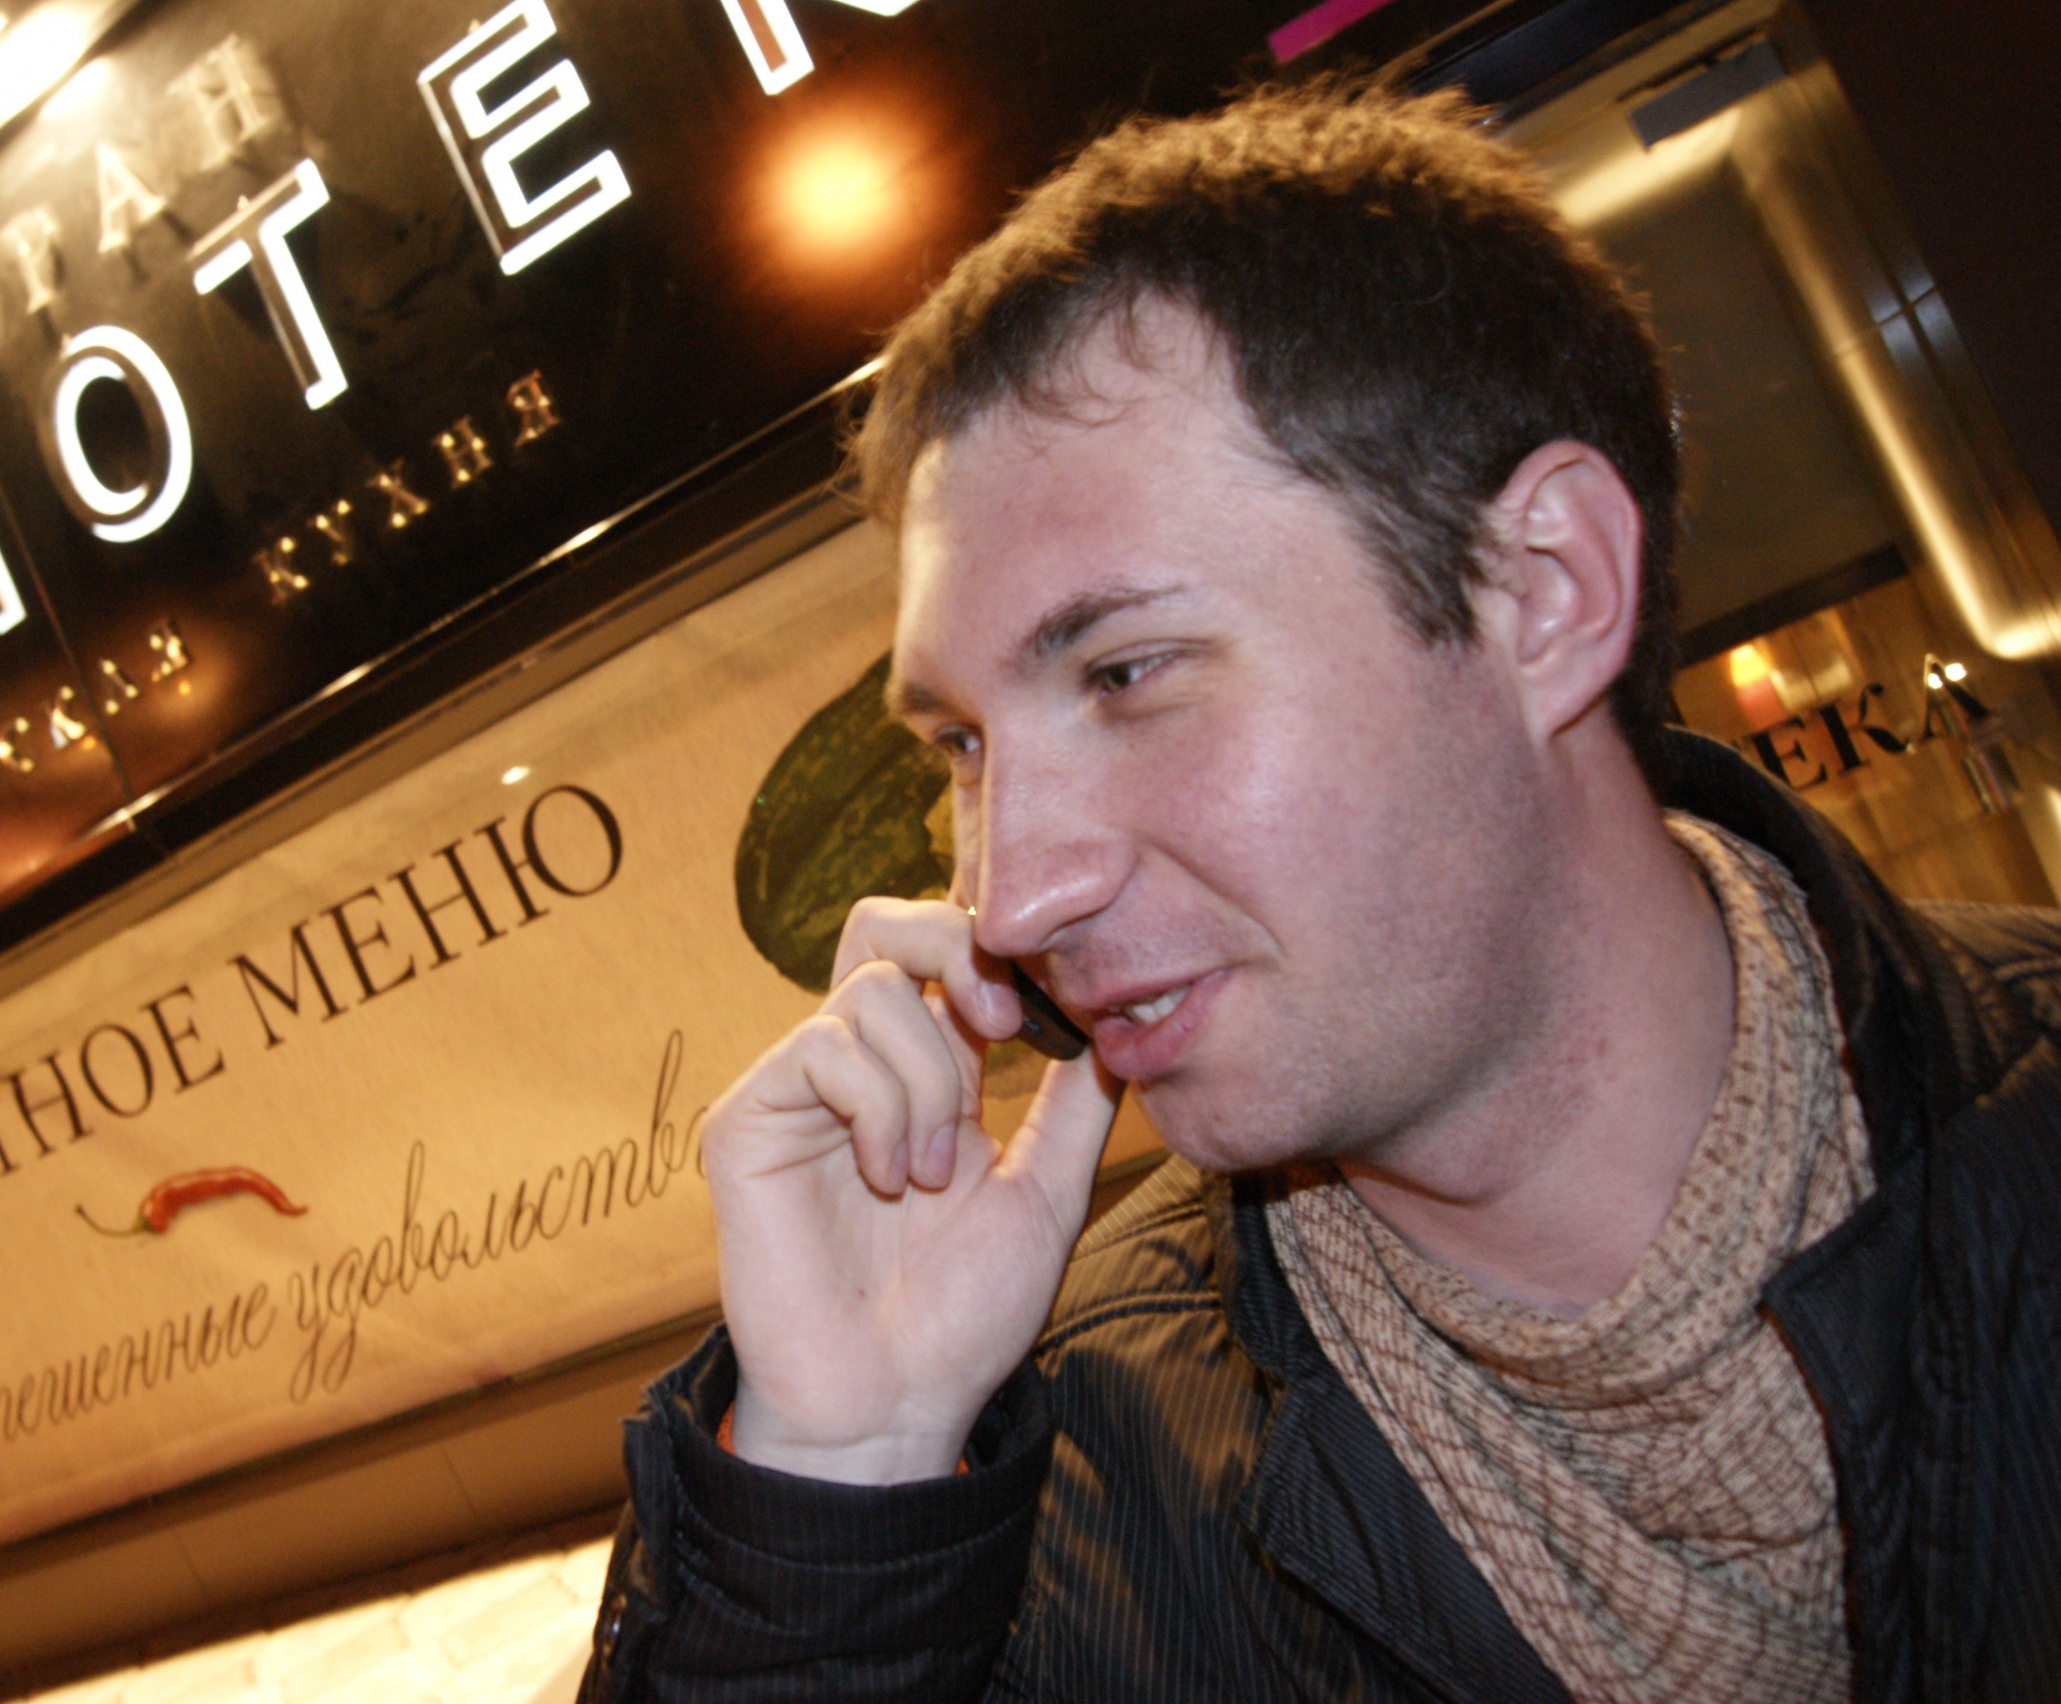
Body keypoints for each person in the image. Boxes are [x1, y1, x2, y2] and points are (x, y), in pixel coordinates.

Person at [578, 83, 2061, 1703]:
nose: (1008, 900)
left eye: (1127, 673)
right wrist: (836, 1499)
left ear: (1545, 590)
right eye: (961, 745)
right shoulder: (1049, 1487)